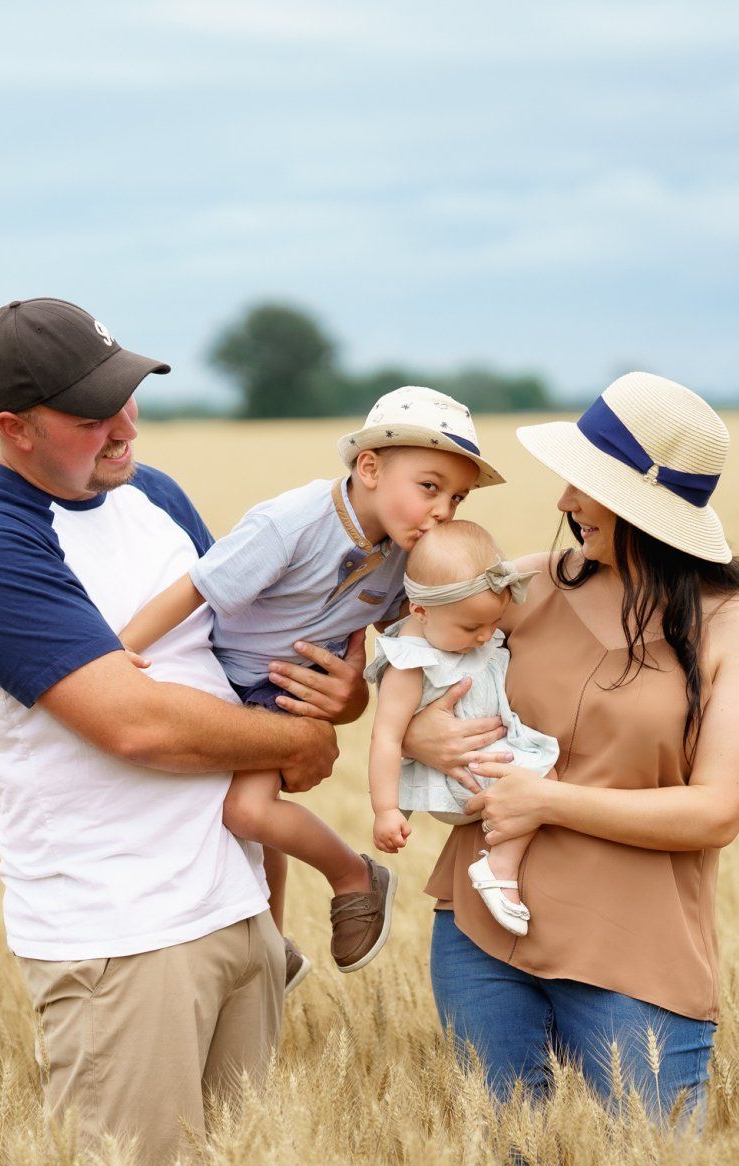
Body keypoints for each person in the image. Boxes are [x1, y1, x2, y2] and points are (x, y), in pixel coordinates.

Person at [0, 297, 369, 1166]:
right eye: (92, 416)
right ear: (15, 428)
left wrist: (340, 699)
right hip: (123, 939)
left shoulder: (154, 496)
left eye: (128, 395)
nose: (125, 426)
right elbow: (134, 725)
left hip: (238, 911)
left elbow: (250, 662)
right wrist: (291, 744)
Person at [401, 371, 739, 1127]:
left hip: (635, 954)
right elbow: (398, 657)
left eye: (584, 484)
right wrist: (421, 733)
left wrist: (545, 799)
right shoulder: (522, 587)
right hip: (483, 943)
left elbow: (717, 811)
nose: (562, 502)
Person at [119, 387, 497, 976]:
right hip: (218, 679)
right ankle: (271, 942)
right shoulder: (290, 523)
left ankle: (351, 877)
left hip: (285, 690)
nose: (444, 510)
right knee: (235, 820)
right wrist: (118, 655)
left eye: (456, 496)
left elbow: (413, 639)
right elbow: (198, 587)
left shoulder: (409, 553)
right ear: (368, 467)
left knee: (248, 812)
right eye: (430, 486)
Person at [365, 520, 560, 936]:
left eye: (494, 624)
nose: (486, 637)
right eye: (472, 628)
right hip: (461, 780)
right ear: (419, 610)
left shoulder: (457, 628)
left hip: (485, 759)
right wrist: (386, 810)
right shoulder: (410, 662)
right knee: (547, 780)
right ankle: (499, 867)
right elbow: (386, 736)